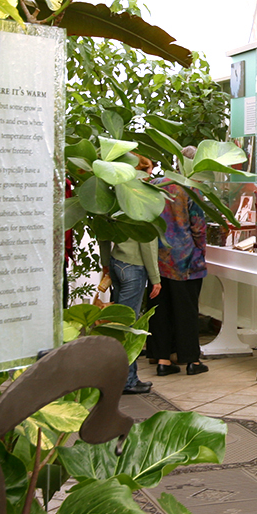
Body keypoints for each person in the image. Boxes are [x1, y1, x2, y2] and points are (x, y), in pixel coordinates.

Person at [100, 155, 160, 395]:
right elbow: (148, 240)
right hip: (134, 266)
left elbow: (102, 231)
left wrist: (106, 263)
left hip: (117, 261)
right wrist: (155, 277)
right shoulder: (143, 195)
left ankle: (119, 378)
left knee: (118, 323)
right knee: (128, 326)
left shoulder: (115, 193)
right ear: (145, 170)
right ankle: (126, 381)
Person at [145, 147, 209, 376]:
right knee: (187, 311)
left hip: (158, 260)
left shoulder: (156, 184)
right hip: (185, 262)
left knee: (160, 311)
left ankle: (163, 360)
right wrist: (201, 253)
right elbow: (198, 228)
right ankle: (192, 360)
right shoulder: (192, 189)